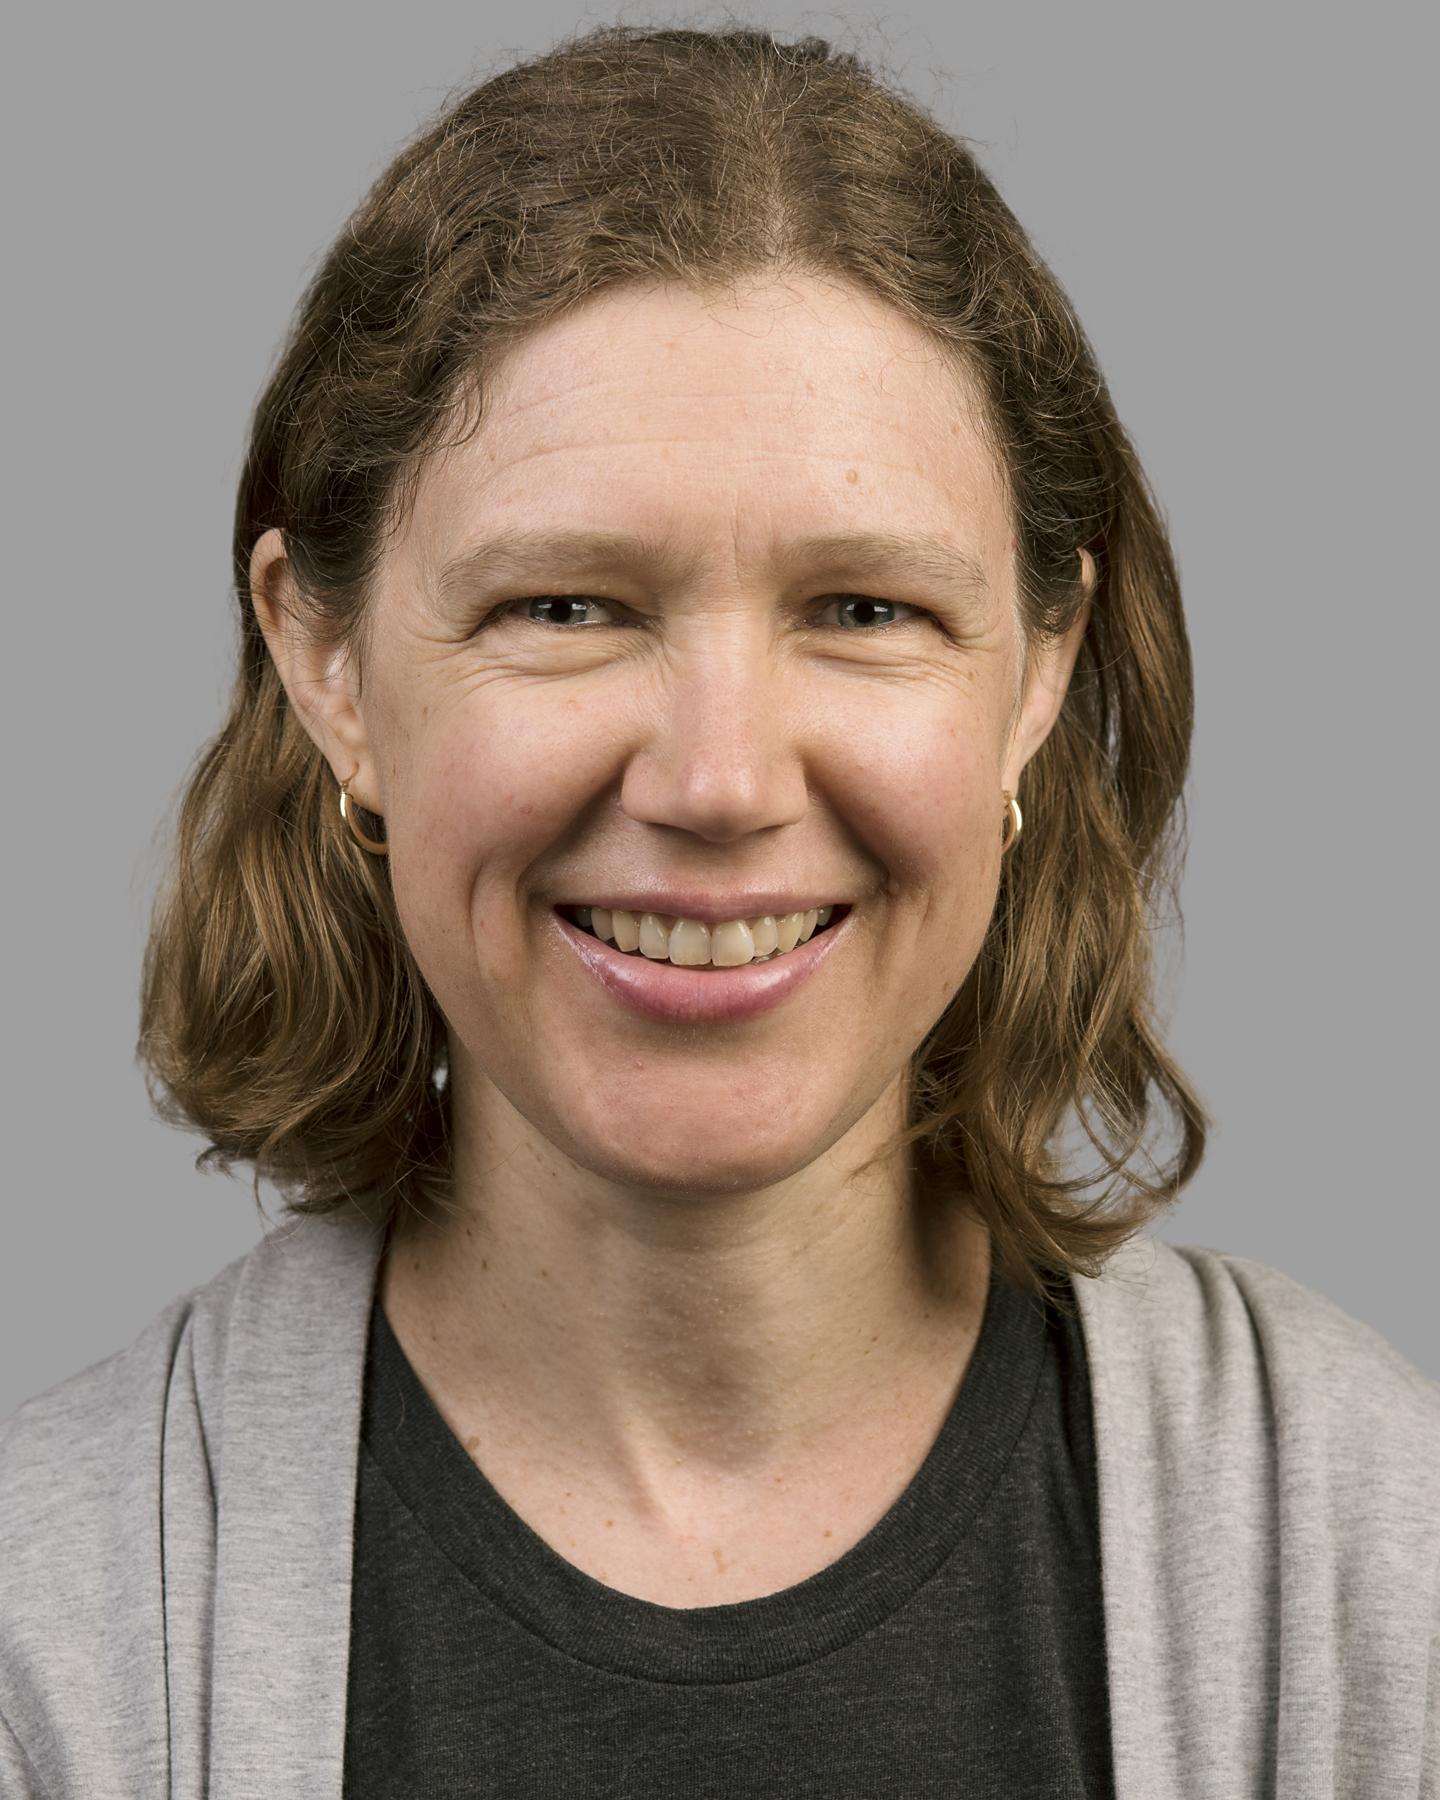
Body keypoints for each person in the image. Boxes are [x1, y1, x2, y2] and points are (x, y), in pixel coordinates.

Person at [2, 24, 1435, 1800]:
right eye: (566, 606)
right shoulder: (45, 1646)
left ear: (1040, 669)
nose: (722, 776)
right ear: (329, 663)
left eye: (863, 610)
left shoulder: (1380, 1563)